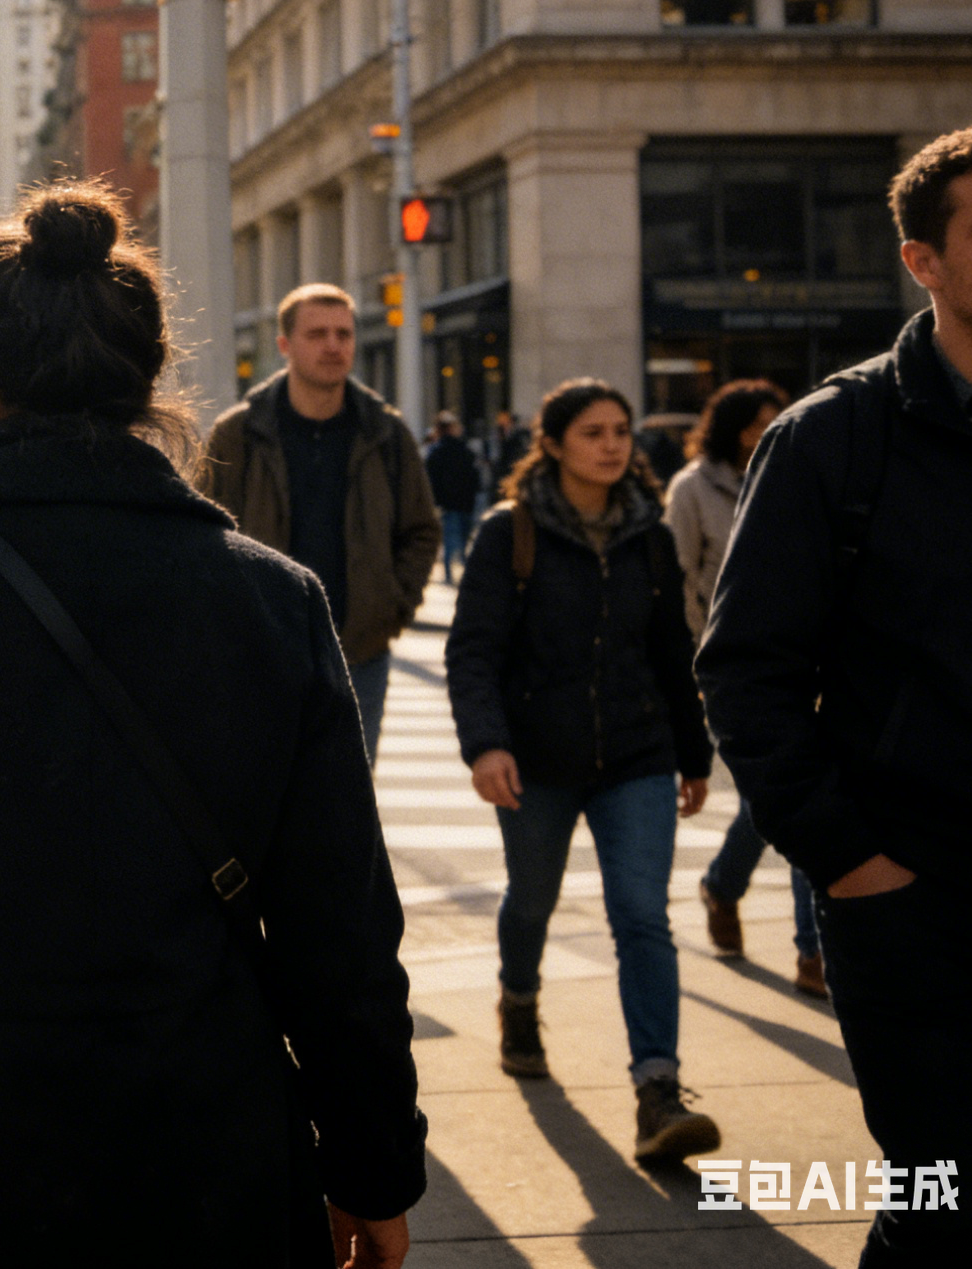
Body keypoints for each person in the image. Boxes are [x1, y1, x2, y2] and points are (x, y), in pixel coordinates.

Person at [0, 183, 425, 1268]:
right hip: (203, 1153)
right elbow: (342, 933)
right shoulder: (270, 603)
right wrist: (372, 1165)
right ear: (147, 382)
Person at [700, 121, 972, 1267]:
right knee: (955, 1213)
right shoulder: (836, 440)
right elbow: (748, 676)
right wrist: (855, 868)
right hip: (920, 911)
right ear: (923, 260)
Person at [444, 378, 720, 1164]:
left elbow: (673, 652)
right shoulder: (512, 533)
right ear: (555, 441)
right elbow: (473, 651)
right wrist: (486, 743)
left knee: (642, 915)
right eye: (594, 431)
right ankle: (520, 999)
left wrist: (693, 753)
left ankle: (658, 1090)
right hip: (537, 759)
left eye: (622, 430)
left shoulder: (650, 536)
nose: (612, 443)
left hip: (637, 755)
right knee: (532, 898)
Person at [199, 284, 439, 765]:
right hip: (262, 656)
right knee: (261, 796)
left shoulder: (386, 433)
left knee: (346, 803)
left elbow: (420, 530)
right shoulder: (238, 433)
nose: (334, 346)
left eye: (343, 334)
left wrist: (392, 606)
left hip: (358, 655)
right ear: (285, 345)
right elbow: (203, 533)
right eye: (317, 334)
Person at [664, 380, 819, 995]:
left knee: (792, 788)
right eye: (755, 424)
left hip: (805, 663)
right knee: (786, 787)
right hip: (726, 667)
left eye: (773, 421)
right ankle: (806, 944)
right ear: (729, 427)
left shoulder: (796, 472)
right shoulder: (693, 488)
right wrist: (691, 666)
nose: (765, 432)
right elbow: (674, 585)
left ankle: (737, 897)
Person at [423, 411, 482, 584]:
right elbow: (473, 475)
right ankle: (463, 571)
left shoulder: (435, 451)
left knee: (450, 538)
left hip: (447, 503)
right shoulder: (464, 449)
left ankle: (449, 572)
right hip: (465, 501)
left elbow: (430, 479)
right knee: (463, 537)